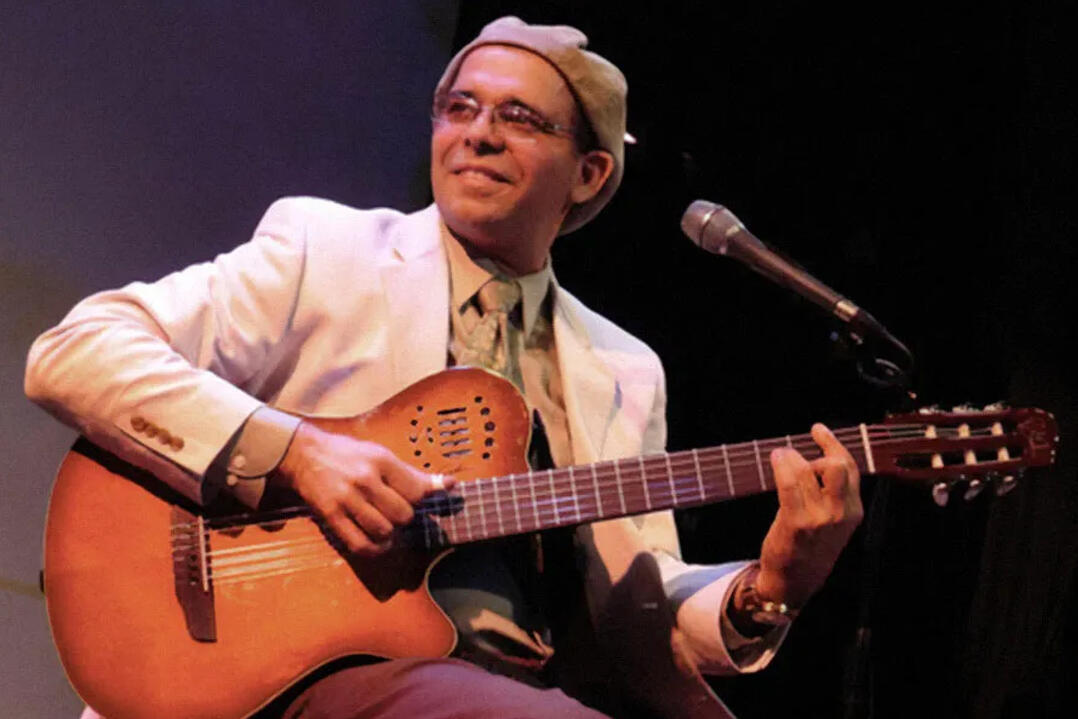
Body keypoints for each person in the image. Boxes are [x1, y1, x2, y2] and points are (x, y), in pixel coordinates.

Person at [25, 16, 863, 719]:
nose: (479, 133)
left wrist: (769, 586)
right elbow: (77, 349)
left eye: (519, 118)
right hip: (306, 669)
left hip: (505, 684)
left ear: (590, 172)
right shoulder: (329, 250)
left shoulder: (623, 366)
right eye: (459, 107)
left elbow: (633, 600)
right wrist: (298, 451)